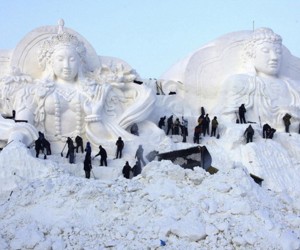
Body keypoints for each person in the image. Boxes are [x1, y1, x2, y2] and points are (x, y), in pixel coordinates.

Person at [0, 21, 156, 150]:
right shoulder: (31, 92)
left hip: (84, 150)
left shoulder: (95, 92)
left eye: (72, 59)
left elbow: (106, 137)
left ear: (80, 62)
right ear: (50, 62)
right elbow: (23, 126)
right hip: (44, 151)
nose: (66, 65)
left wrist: (94, 117)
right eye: (60, 59)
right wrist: (16, 144)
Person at [221, 28, 300, 127]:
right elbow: (228, 118)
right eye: (266, 51)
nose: (274, 57)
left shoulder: (294, 87)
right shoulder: (242, 82)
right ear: (251, 54)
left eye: (278, 52)